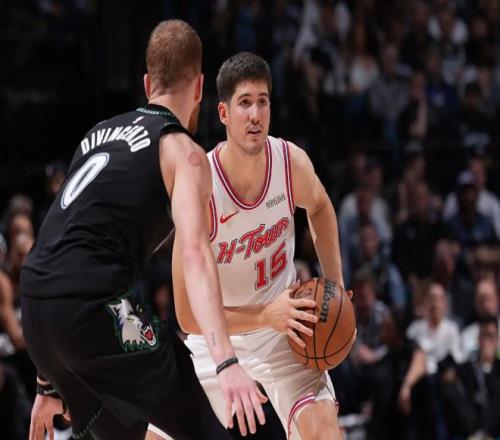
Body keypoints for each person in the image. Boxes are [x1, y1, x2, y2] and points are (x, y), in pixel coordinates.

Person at [20, 20, 266, 440]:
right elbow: (194, 254)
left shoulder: (97, 134)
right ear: (200, 87)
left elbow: (58, 242)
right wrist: (226, 362)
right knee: (210, 426)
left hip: (35, 307)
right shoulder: (184, 153)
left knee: (130, 434)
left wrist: (48, 378)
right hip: (93, 306)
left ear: (148, 83)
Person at [148, 52, 347, 440]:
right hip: (217, 337)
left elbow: (321, 207)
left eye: (262, 101)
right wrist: (264, 315)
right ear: (223, 113)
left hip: (284, 331)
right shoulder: (199, 187)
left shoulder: (290, 162)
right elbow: (187, 317)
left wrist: (335, 288)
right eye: (244, 103)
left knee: (324, 431)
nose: (255, 114)